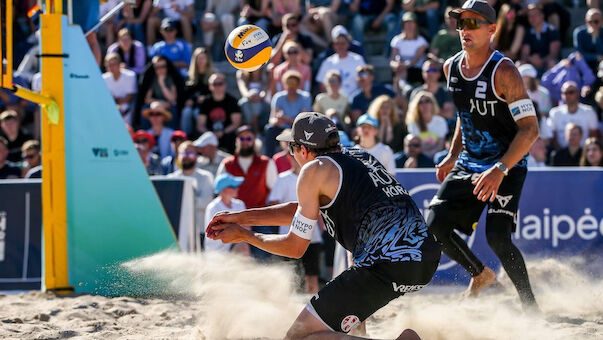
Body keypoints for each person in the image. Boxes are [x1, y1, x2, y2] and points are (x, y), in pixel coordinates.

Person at [207, 111, 440, 339]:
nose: (291, 154)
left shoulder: (313, 170)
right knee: (324, 329)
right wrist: (240, 217)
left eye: (292, 148)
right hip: (424, 258)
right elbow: (301, 209)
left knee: (298, 337)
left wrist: (244, 235)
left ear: (304, 150)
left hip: (386, 263)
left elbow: (294, 248)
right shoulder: (360, 156)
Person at [429, 1, 540, 310]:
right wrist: (453, 154)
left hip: (506, 163)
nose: (465, 29)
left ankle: (531, 309)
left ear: (492, 29)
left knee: (498, 239)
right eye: (461, 23)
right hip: (469, 162)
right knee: (435, 226)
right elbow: (465, 117)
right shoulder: (451, 66)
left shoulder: (504, 71)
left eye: (473, 23)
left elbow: (530, 131)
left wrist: (501, 168)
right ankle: (480, 275)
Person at [216, 125, 279, 261]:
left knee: (262, 261)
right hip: (233, 221)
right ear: (236, 141)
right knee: (232, 262)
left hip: (259, 220)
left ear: (254, 140)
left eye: (248, 138)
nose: (245, 141)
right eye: (241, 138)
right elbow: (219, 191)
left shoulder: (266, 163)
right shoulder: (227, 163)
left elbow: (274, 194)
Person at [267, 151, 323, 294]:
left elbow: (320, 206)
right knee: (289, 275)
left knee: (312, 274)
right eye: (292, 155)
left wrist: (322, 227)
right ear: (288, 158)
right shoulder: (282, 178)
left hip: (312, 235)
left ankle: (312, 308)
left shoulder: (314, 177)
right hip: (288, 235)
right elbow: (274, 204)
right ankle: (289, 308)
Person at [168, 141, 215, 249]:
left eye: (190, 154)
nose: (187, 157)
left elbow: (206, 202)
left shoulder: (206, 177)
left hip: (200, 232)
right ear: (178, 156)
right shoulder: (171, 179)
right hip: (177, 232)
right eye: (184, 154)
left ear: (196, 157)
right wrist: (192, 201)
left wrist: (180, 201)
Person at [264, 70, 313, 157]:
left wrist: (284, 118)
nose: (291, 87)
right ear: (284, 84)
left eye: (293, 84)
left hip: (298, 129)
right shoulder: (278, 97)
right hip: (282, 128)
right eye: (288, 83)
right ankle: (269, 158)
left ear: (298, 85)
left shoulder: (306, 97)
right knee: (270, 129)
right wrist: (276, 121)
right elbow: (272, 119)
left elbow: (301, 122)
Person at [197, 73, 242, 154]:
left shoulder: (232, 101)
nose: (217, 86)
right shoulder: (205, 102)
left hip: (227, 134)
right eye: (214, 84)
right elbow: (200, 125)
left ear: (225, 85)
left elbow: (236, 124)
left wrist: (223, 132)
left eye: (220, 84)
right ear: (210, 86)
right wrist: (211, 134)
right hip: (210, 135)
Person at [546, 81, 599, 150]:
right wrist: (562, 154)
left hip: (584, 154)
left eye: (571, 92)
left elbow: (594, 136)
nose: (567, 95)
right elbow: (552, 137)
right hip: (561, 154)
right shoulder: (555, 113)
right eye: (564, 93)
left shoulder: (589, 112)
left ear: (578, 93)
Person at [204, 173, 249, 253]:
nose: (237, 188)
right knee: (243, 246)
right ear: (224, 190)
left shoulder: (240, 204)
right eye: (233, 186)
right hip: (217, 251)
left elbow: (247, 228)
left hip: (236, 244)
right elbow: (217, 232)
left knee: (243, 246)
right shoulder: (213, 207)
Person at [315, 31, 366, 98]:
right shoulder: (327, 62)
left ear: (348, 44)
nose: (340, 46)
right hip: (333, 101)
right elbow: (322, 85)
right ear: (333, 45)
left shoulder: (358, 59)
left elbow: (365, 80)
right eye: (337, 43)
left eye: (343, 43)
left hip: (354, 100)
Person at [405, 91, 448, 158]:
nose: (424, 104)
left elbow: (440, 145)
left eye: (427, 101)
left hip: (436, 156)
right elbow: (415, 146)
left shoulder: (440, 122)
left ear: (432, 104)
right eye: (420, 102)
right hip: (419, 157)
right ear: (417, 106)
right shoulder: (413, 124)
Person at [103, 53, 138, 119]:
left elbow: (130, 97)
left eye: (113, 64)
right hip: (109, 108)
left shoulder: (130, 76)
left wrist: (116, 102)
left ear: (119, 64)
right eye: (108, 65)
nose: (111, 67)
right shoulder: (103, 78)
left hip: (127, 109)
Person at [573, 8, 603, 74]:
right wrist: (595, 57)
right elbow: (579, 53)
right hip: (585, 63)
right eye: (589, 22)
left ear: (601, 21)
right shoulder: (579, 33)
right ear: (586, 21)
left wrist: (596, 37)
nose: (592, 24)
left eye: (596, 21)